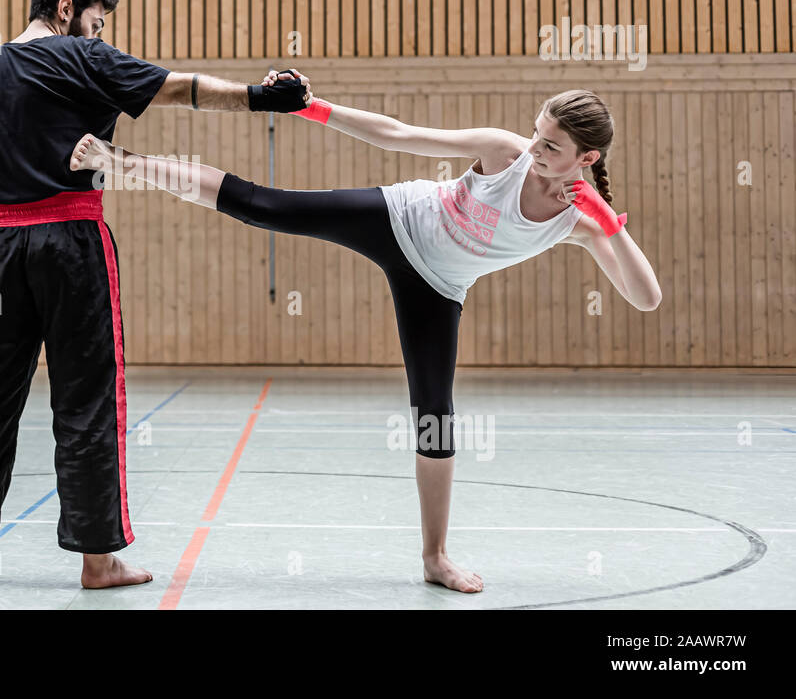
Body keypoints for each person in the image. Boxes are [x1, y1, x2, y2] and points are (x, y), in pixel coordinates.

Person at [69, 83, 661, 593]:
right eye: (537, 132)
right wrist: (312, 109)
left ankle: (435, 558)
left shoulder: (579, 224)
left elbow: (646, 297)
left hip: (439, 284)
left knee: (435, 418)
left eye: (551, 146)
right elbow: (397, 134)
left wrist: (610, 223)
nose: (535, 148)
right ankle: (123, 162)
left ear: (586, 158)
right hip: (400, 217)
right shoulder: (505, 154)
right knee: (266, 206)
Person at [0, 0, 310, 590]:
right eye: (97, 20)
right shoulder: (83, 56)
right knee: (87, 396)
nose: (99, 33)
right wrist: (262, 98)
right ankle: (98, 561)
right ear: (67, 8)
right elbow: (183, 90)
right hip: (71, 241)